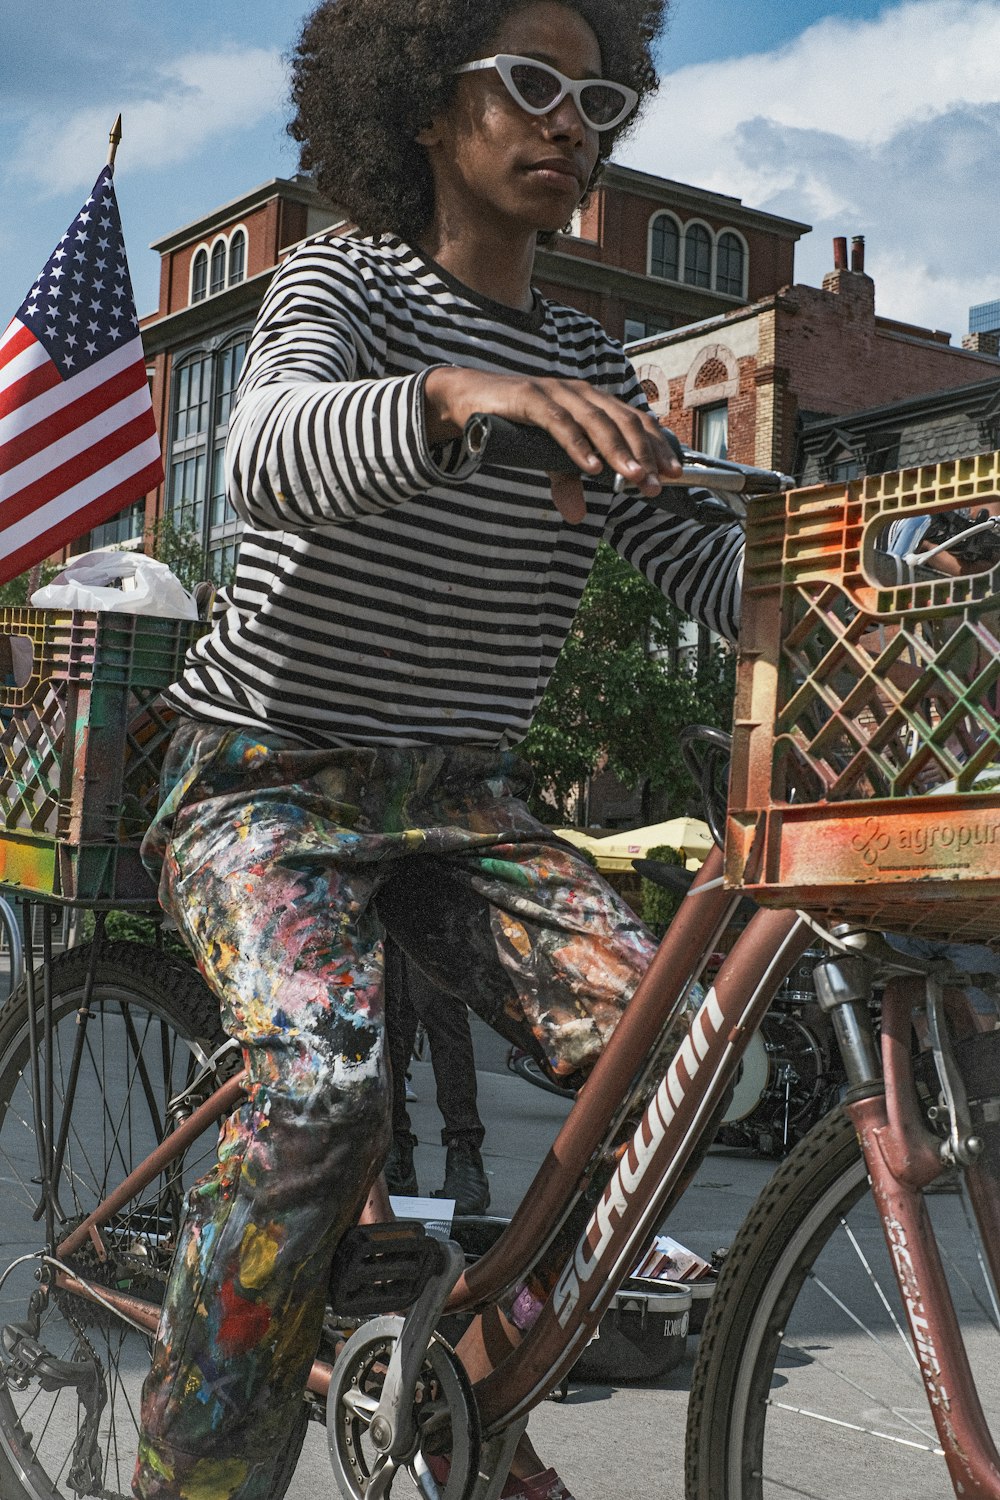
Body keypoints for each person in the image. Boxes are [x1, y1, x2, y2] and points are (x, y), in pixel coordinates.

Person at [132, 2, 744, 1497]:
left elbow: (713, 572)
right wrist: (452, 394)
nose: (567, 124)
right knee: (324, 1092)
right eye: (529, 86)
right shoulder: (348, 279)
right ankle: (193, 1477)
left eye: (594, 100)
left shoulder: (595, 357)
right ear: (419, 105)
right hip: (266, 774)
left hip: (458, 799)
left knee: (672, 1056)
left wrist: (903, 558)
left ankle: (467, 1379)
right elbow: (263, 449)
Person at [384, 937, 492, 1214]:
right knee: (389, 1011)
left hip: (424, 903)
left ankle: (464, 1151)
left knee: (437, 999)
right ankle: (395, 1150)